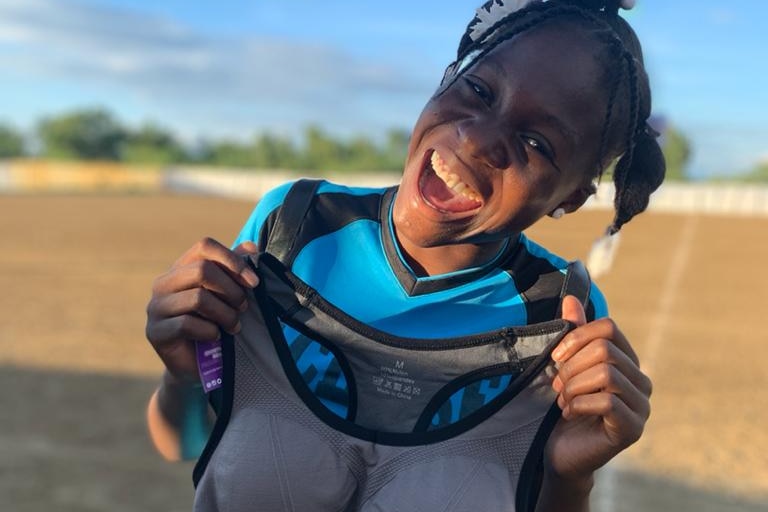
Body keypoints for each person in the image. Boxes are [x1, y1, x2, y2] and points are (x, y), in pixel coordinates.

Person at [145, 0, 662, 510]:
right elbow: (187, 442)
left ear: (570, 197)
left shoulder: (561, 318)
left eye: (536, 141)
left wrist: (570, 476)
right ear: (445, 80)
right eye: (479, 90)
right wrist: (186, 374)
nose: (478, 139)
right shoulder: (295, 227)